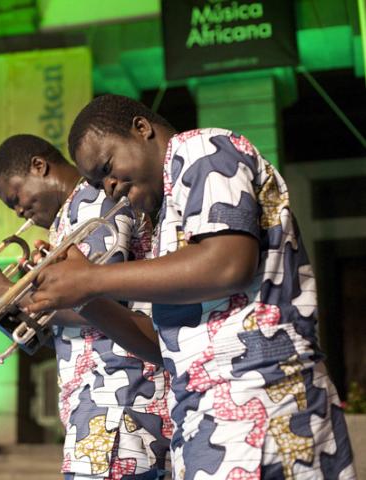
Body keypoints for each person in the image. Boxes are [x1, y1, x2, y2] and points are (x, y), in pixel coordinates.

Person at [26, 94, 356, 479]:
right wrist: (85, 298)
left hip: (264, 404)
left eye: (108, 167)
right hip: (205, 427)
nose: (110, 187)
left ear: (141, 128)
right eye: (100, 182)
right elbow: (157, 346)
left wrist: (93, 279)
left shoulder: (202, 148)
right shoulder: (167, 223)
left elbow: (228, 262)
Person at [0, 134, 172, 479]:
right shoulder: (68, 222)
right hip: (102, 408)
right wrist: (2, 306)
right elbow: (68, 322)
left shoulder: (91, 202)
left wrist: (8, 294)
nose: (18, 210)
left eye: (16, 197)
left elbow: (102, 298)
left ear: (39, 166)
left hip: (119, 406)